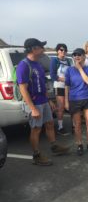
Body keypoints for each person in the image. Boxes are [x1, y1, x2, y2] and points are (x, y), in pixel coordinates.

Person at [17, 38, 69, 166]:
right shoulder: (24, 65)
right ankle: (36, 155)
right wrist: (32, 108)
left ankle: (54, 147)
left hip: (43, 101)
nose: (43, 50)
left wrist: (49, 100)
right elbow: (22, 88)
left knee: (50, 123)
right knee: (36, 129)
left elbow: (43, 84)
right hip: (34, 103)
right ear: (34, 49)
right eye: (41, 47)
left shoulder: (38, 64)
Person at [65, 48, 88, 156]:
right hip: (74, 99)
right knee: (77, 125)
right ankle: (79, 144)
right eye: (74, 55)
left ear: (84, 56)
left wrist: (79, 68)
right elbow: (67, 86)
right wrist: (66, 101)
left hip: (86, 98)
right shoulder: (69, 70)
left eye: (79, 54)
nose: (76, 56)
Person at [50, 43, 71, 135]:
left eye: (65, 50)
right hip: (59, 86)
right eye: (61, 50)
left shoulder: (68, 61)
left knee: (69, 106)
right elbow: (53, 75)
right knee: (61, 107)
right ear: (57, 51)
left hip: (68, 87)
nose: (63, 52)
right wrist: (64, 79)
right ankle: (60, 127)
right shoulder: (55, 60)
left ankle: (73, 125)